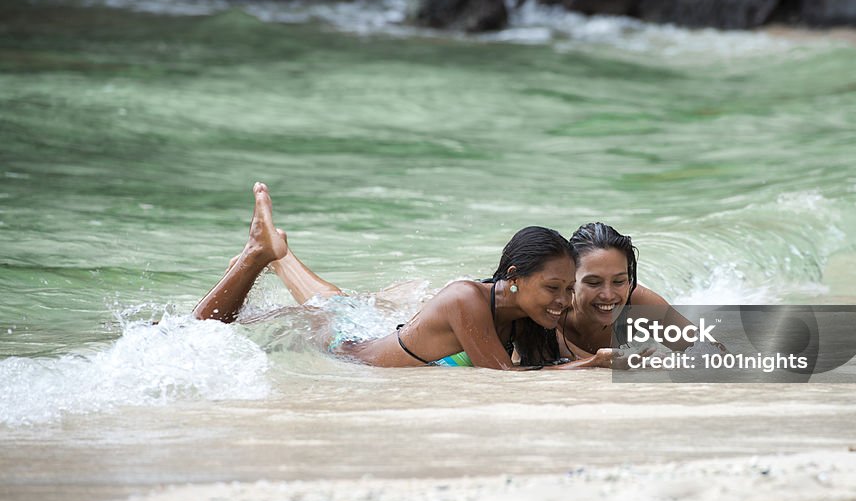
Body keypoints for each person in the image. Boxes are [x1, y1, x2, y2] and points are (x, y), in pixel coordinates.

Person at [192, 183, 614, 369]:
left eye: (568, 289)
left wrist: (619, 363)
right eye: (553, 288)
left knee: (339, 303)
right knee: (202, 332)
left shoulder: (531, 315)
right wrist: (595, 365)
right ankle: (255, 256)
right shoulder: (465, 298)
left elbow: (564, 363)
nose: (564, 300)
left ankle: (279, 257)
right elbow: (503, 378)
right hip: (343, 350)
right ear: (515, 277)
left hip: (367, 329)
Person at [557, 222, 721, 358]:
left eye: (619, 281)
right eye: (594, 282)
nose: (608, 295)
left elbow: (714, 354)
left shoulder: (638, 304)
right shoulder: (549, 312)